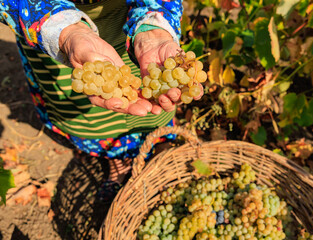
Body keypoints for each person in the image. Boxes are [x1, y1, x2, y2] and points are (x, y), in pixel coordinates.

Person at [0, 0, 201, 202]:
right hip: (48, 21)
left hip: (126, 19)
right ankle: (116, 159)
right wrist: (64, 31)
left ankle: (156, 147)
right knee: (91, 110)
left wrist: (153, 25)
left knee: (149, 99)